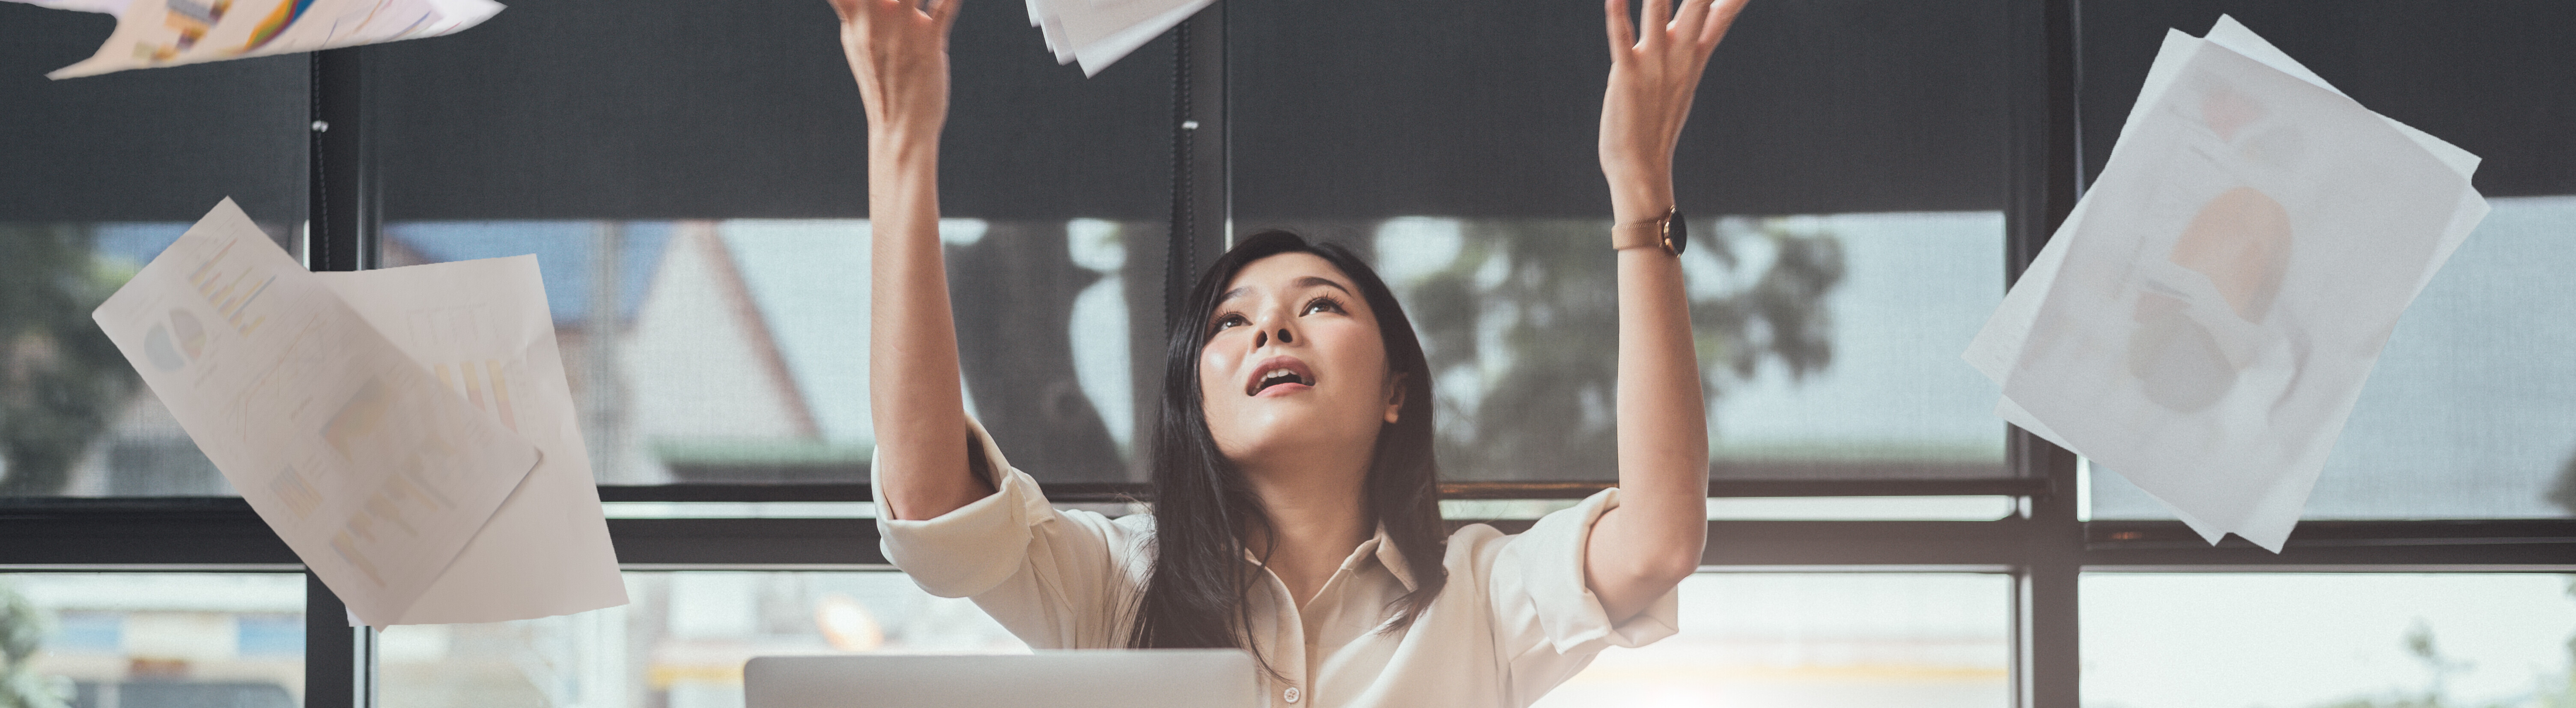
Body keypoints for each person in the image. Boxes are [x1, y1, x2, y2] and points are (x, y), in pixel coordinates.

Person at [833, 0, 1743, 703]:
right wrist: (899, 141)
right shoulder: (1111, 585)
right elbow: (930, 508)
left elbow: (1659, 538)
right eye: (1230, 322)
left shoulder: (1480, 593)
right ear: (1195, 401)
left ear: (1395, 389)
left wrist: (1639, 192)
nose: (1272, 328)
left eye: (1320, 305)